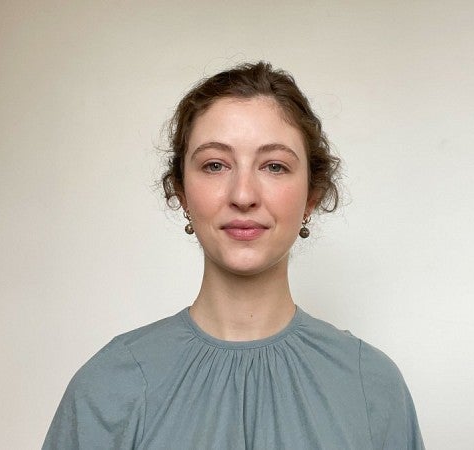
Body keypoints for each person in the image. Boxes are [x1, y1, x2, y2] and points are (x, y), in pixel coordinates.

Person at [42, 61, 424, 449]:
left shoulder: (371, 386)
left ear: (312, 195)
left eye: (274, 166)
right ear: (182, 190)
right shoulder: (109, 384)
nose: (243, 195)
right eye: (215, 165)